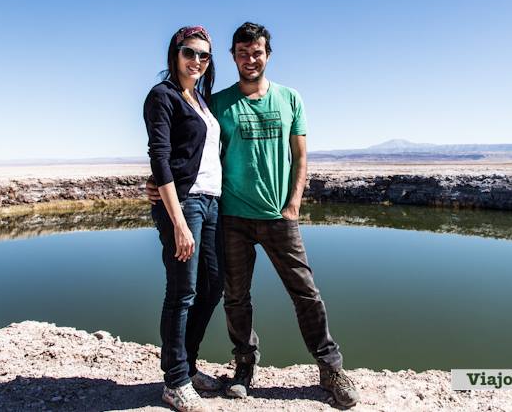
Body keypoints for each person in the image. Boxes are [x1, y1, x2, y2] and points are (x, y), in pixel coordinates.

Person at [148, 22, 360, 407]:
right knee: (235, 298)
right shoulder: (218, 102)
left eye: (257, 52)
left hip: (279, 216)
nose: (250, 59)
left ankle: (330, 368)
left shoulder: (290, 98)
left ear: (267, 54)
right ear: (233, 57)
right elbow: (185, 147)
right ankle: (243, 366)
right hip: (230, 216)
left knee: (305, 293)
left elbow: (301, 156)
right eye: (242, 53)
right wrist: (157, 185)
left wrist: (293, 204)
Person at [143, 25, 224, 412]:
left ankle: (188, 366)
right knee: (182, 291)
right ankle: (174, 381)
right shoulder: (163, 96)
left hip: (211, 202)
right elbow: (159, 156)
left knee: (213, 286)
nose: (197, 61)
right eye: (189, 52)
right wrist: (176, 221)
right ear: (174, 53)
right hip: (185, 205)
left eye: (204, 56)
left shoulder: (200, 99)